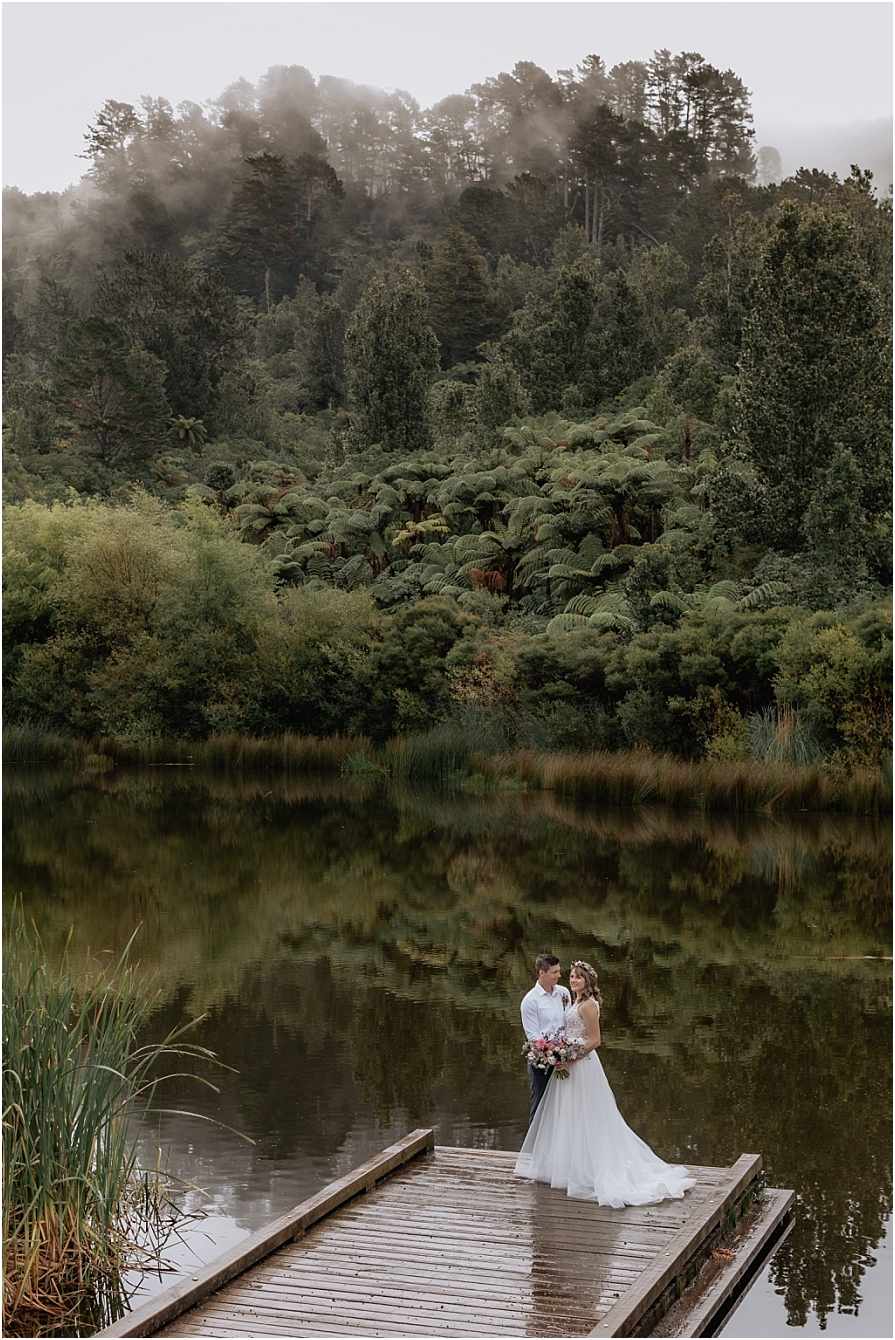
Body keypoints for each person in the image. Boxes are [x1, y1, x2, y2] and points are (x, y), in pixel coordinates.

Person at [515, 960, 696, 1207]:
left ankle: (591, 1166)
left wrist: (568, 1057)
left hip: (580, 1064)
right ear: (542, 973)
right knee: (566, 1115)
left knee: (589, 1116)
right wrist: (559, 1055)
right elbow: (543, 1034)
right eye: (568, 975)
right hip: (560, 1062)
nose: (570, 979)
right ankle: (565, 1166)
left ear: (588, 981)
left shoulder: (583, 1003)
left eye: (577, 977)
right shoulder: (555, 999)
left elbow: (595, 1040)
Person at [520, 953, 571, 1127]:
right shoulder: (530, 1001)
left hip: (565, 1059)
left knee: (564, 1107)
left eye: (559, 971)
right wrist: (553, 1056)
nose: (559, 975)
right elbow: (534, 1037)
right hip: (541, 1062)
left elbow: (568, 1024)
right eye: (554, 972)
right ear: (542, 973)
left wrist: (567, 1052)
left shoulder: (564, 993)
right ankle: (536, 1151)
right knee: (541, 1107)